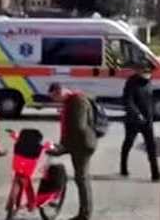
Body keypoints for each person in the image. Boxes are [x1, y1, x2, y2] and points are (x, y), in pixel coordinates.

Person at [48, 82, 98, 220]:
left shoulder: (76, 101)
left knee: (81, 178)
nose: (55, 101)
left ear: (60, 92)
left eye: (55, 98)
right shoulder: (71, 101)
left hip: (83, 145)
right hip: (79, 144)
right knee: (81, 178)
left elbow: (78, 128)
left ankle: (85, 214)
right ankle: (85, 212)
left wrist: (63, 147)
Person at [120, 64, 160, 181]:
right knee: (128, 143)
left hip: (147, 120)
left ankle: (155, 173)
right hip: (133, 121)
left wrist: (152, 115)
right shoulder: (131, 82)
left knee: (151, 146)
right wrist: (137, 114)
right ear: (139, 71)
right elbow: (128, 100)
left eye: (149, 73)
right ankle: (123, 167)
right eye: (145, 72)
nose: (147, 76)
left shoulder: (148, 82)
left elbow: (149, 100)